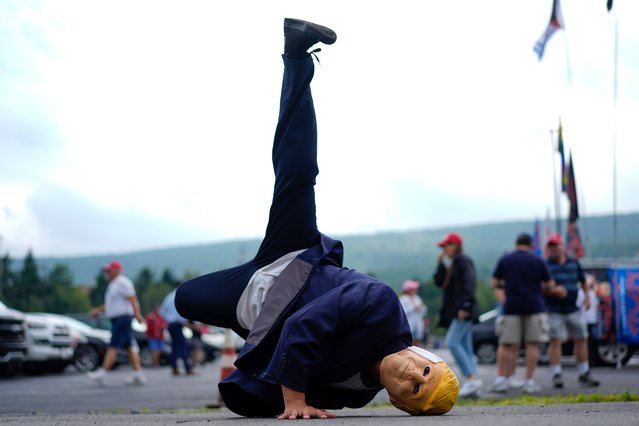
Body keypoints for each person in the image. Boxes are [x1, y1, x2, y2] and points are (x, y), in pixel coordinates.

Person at [174, 18, 459, 419]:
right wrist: (295, 401)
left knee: (185, 298)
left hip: (253, 302)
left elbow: (284, 371)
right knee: (298, 171)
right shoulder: (382, 307)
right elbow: (304, 326)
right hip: (293, 261)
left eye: (414, 389)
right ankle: (297, 55)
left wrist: (271, 387)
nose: (412, 374)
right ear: (425, 354)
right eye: (425, 370)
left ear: (397, 402)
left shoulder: (358, 392)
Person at [488, 233, 564, 394]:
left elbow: (495, 283)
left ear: (516, 244)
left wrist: (507, 288)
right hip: (535, 306)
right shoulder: (538, 260)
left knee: (506, 344)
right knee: (532, 345)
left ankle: (501, 379)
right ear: (531, 245)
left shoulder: (506, 260)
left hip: (511, 306)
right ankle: (529, 381)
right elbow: (550, 285)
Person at [545, 234, 600, 388]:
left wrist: (587, 297)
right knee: (555, 340)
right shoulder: (546, 265)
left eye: (556, 245)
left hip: (573, 308)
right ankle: (556, 373)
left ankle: (584, 372)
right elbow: (539, 286)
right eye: (551, 246)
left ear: (562, 246)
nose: (554, 249)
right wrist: (552, 291)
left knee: (581, 338)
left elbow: (583, 281)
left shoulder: (573, 263)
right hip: (554, 309)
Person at [433, 232, 482, 398]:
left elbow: (469, 283)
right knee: (466, 346)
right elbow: (440, 282)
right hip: (459, 311)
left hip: (464, 311)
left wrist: (465, 306)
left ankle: (472, 378)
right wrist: (440, 264)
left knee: (452, 342)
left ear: (455, 245)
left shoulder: (463, 261)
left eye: (446, 246)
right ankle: (474, 383)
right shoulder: (454, 264)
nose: (444, 250)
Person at [88, 260, 146, 385]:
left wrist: (138, 315)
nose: (107, 273)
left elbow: (133, 299)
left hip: (123, 318)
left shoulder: (123, 282)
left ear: (117, 270)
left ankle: (103, 372)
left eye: (109, 271)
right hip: (117, 319)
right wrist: (98, 310)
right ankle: (138, 373)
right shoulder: (113, 284)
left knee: (113, 345)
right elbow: (111, 305)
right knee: (128, 346)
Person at [160, 285, 195, 376]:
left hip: (171, 324)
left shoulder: (169, 297)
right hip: (177, 324)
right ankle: (188, 368)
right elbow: (182, 313)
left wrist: (169, 318)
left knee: (175, 347)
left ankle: (175, 368)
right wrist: (184, 322)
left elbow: (161, 311)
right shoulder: (180, 296)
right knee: (182, 346)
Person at [577, 274, 600, 368]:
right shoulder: (590, 293)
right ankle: (590, 362)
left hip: (586, 319)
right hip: (589, 319)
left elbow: (578, 304)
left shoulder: (585, 293)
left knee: (586, 342)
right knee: (589, 342)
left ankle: (589, 362)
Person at [399, 280, 427, 346]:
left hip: (418, 324)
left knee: (417, 342)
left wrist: (421, 308)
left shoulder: (417, 298)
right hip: (409, 324)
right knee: (409, 342)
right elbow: (402, 312)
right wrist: (413, 308)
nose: (416, 290)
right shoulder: (403, 299)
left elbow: (423, 311)